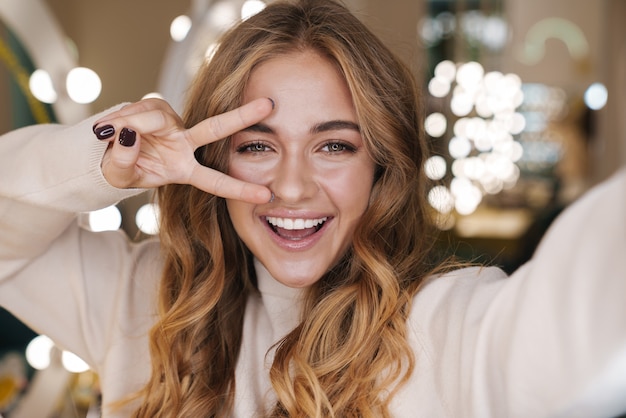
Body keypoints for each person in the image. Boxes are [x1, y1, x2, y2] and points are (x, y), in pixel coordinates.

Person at [0, 0, 625, 416]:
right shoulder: (141, 303)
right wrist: (108, 157)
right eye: (256, 146)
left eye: (333, 145)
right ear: (215, 161)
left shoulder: (449, 328)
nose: (292, 187)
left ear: (380, 164)